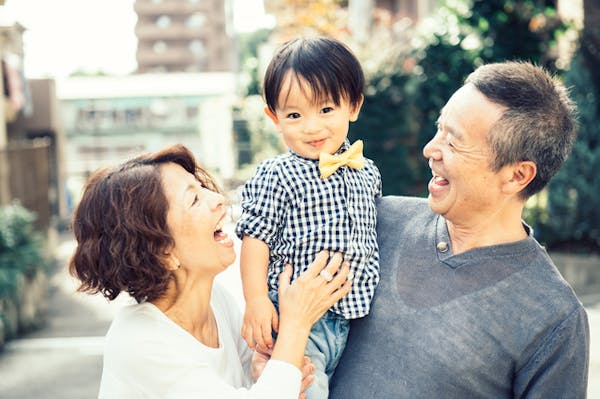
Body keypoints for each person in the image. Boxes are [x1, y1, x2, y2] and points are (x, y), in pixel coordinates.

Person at [330, 61, 590, 398]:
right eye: (439, 129)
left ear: (516, 176)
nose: (430, 149)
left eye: (453, 142)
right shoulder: (374, 221)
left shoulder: (555, 321)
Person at [68, 144, 353, 399]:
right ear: (161, 250)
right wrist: (297, 323)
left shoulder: (216, 300)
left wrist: (261, 372)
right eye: (193, 199)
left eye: (202, 187)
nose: (218, 198)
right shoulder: (139, 342)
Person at [235, 36, 381, 398]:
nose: (312, 127)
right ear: (274, 118)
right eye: (295, 115)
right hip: (301, 323)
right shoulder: (277, 174)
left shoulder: (368, 171)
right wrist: (255, 300)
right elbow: (256, 239)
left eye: (326, 110)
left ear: (354, 106)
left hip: (355, 318)